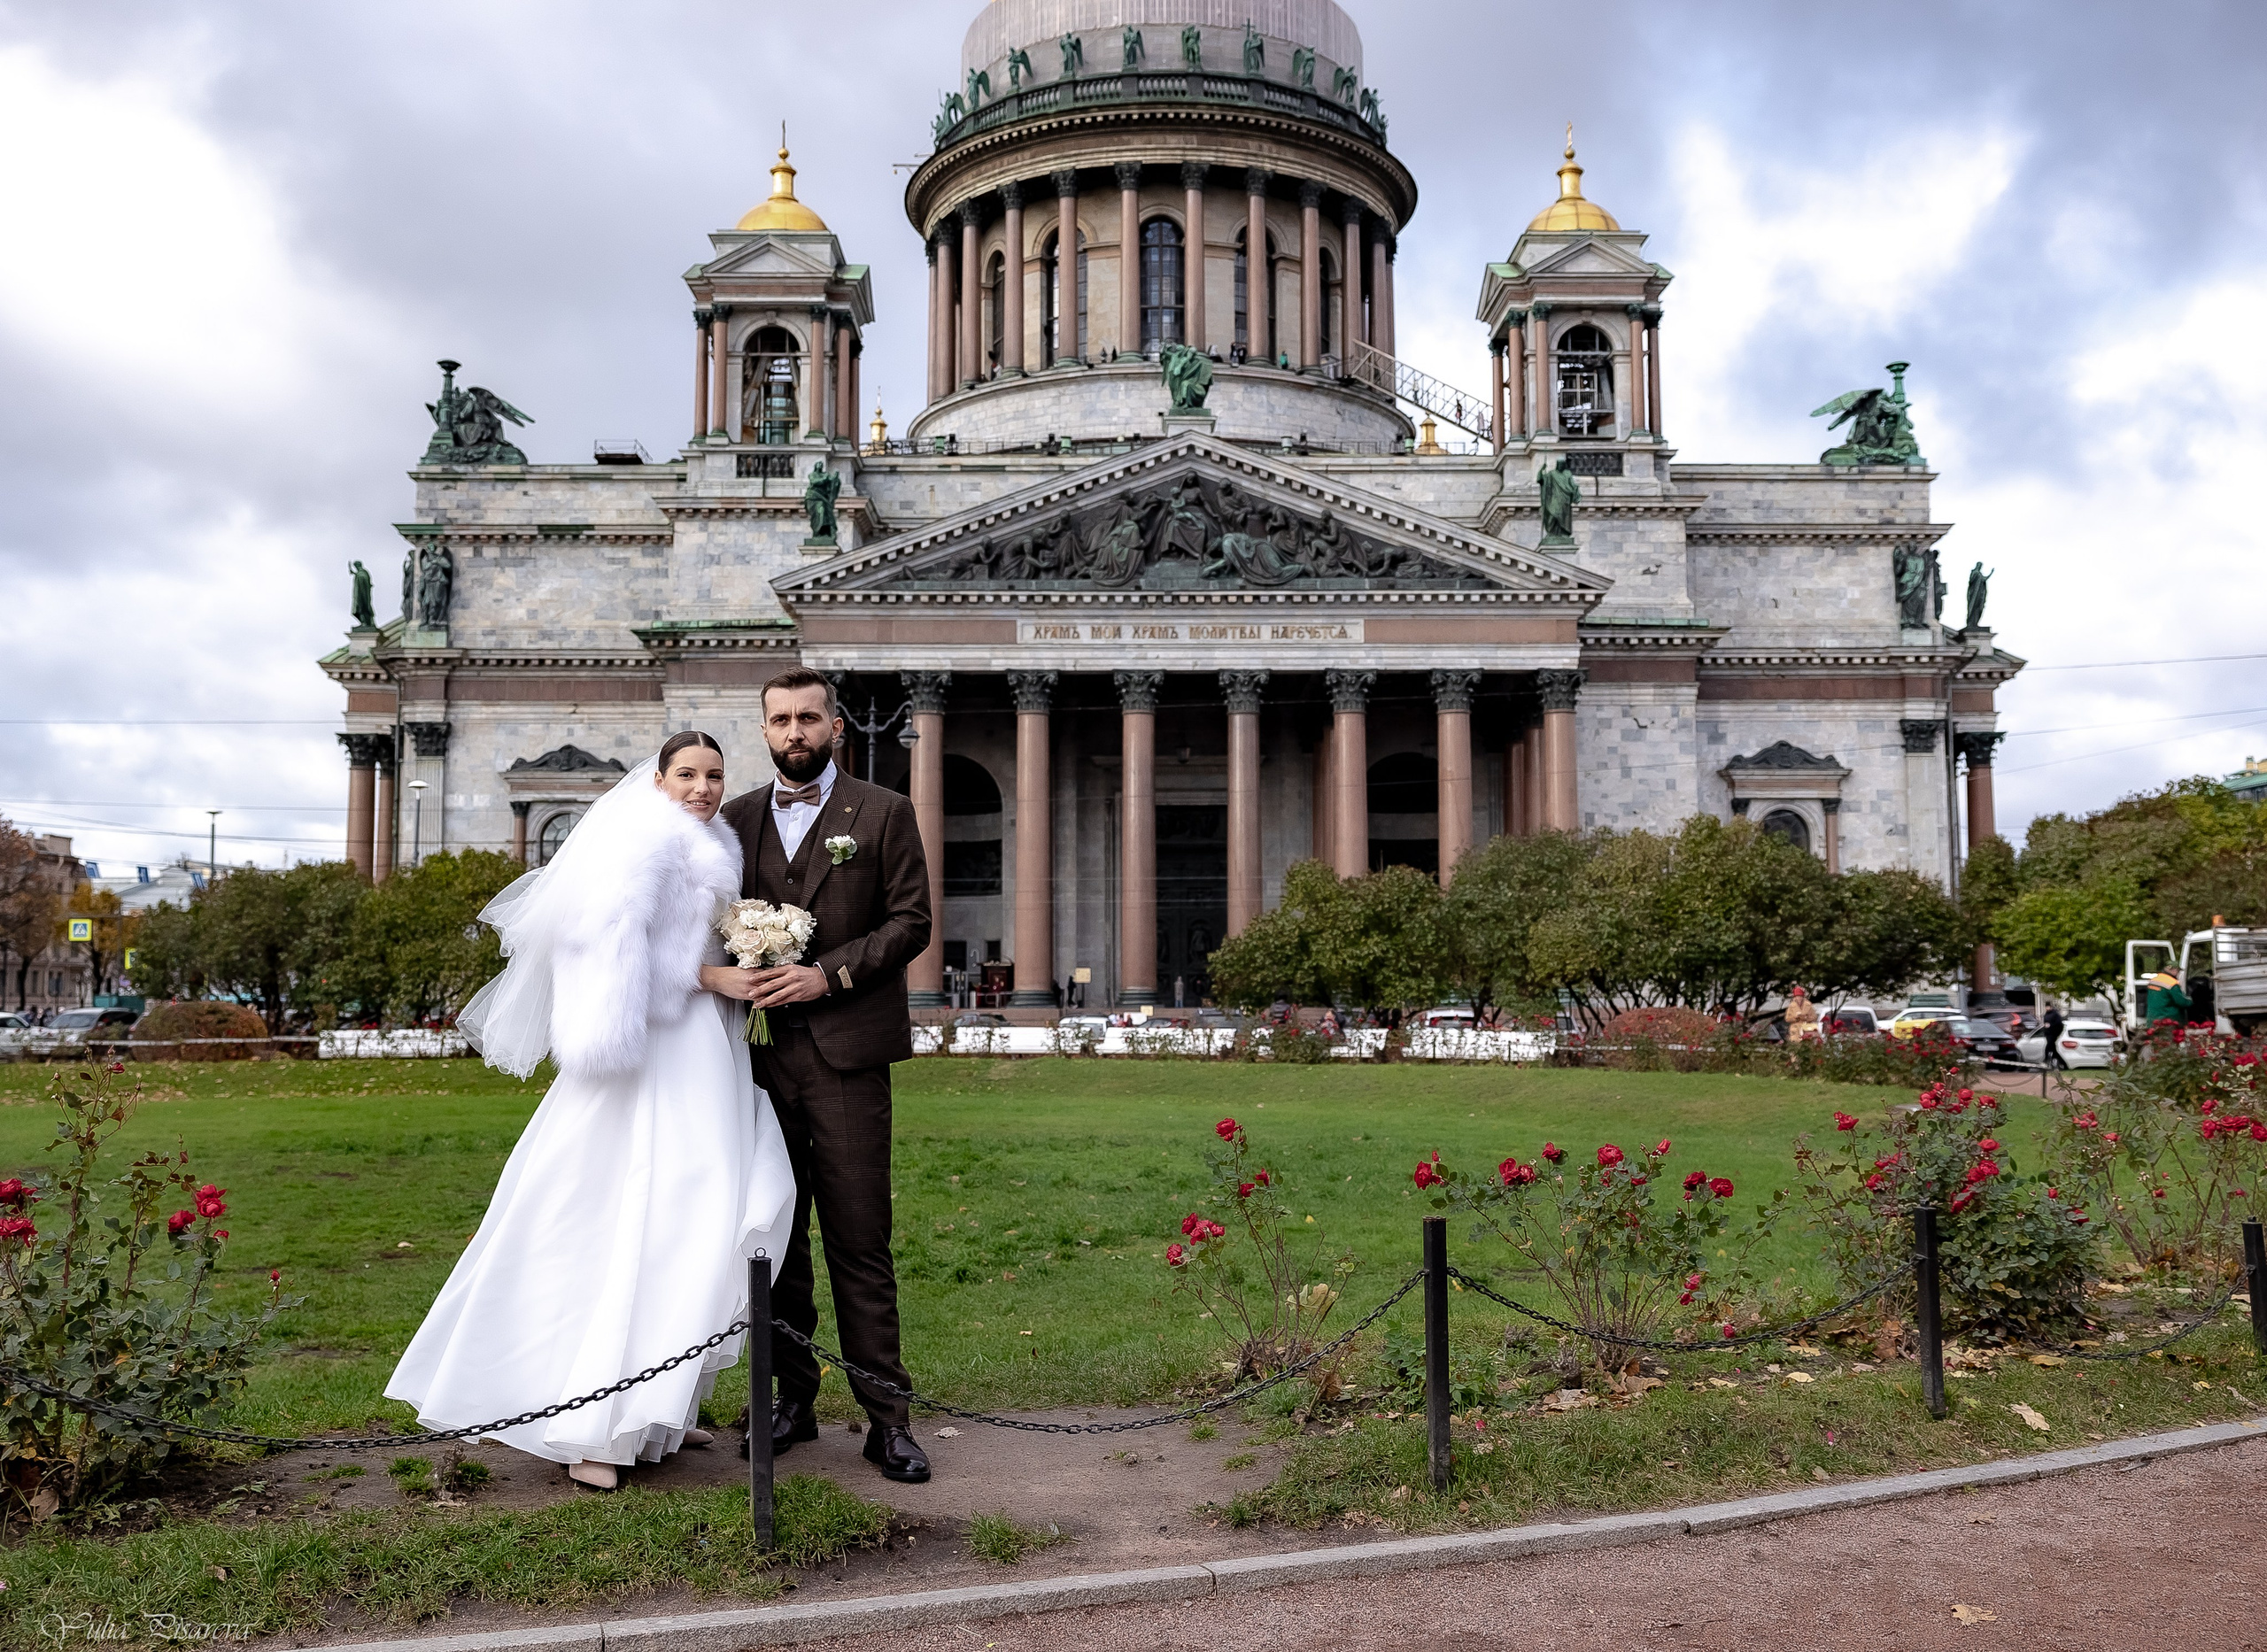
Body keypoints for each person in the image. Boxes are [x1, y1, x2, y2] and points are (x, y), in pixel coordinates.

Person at [389, 733, 795, 1493]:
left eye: (714, 775)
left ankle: (652, 1408)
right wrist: (713, 974)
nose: (704, 788)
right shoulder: (643, 840)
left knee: (689, 1221)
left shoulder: (711, 844)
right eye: (687, 775)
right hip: (652, 1054)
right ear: (660, 779)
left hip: (705, 1048)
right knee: (629, 1215)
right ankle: (590, 1426)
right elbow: (612, 948)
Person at [716, 669, 935, 1485]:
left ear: (837, 727)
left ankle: (888, 1420)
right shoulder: (731, 822)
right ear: (764, 730)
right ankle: (792, 1401)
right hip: (754, 1063)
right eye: (780, 720)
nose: (795, 732)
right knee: (775, 1242)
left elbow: (911, 921)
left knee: (858, 1241)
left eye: (809, 718)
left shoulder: (883, 812)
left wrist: (828, 976)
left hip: (847, 1059)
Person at [2040, 1002, 2067, 1069]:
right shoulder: (2046, 1014)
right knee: (2053, 1051)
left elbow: (2059, 1024)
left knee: (2048, 1047)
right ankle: (2063, 1064)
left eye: (2048, 1007)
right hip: (2048, 1033)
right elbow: (2045, 1023)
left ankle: (2046, 1061)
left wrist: (2051, 1026)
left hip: (2053, 1034)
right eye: (2046, 1007)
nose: (2047, 1008)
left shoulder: (2055, 1014)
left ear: (2051, 1007)